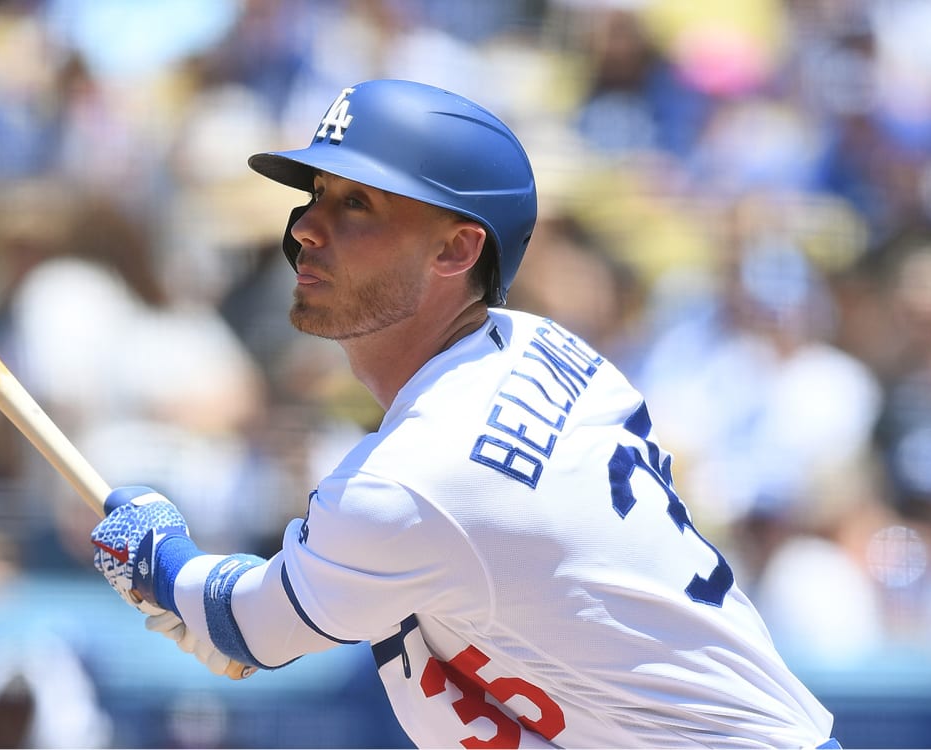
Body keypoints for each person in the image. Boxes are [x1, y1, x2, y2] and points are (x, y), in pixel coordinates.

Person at [89, 79, 839, 748]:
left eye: (358, 204)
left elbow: (251, 624)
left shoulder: (415, 478)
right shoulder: (542, 346)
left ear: (456, 249)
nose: (307, 228)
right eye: (316, 194)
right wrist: (249, 612)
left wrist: (158, 556)